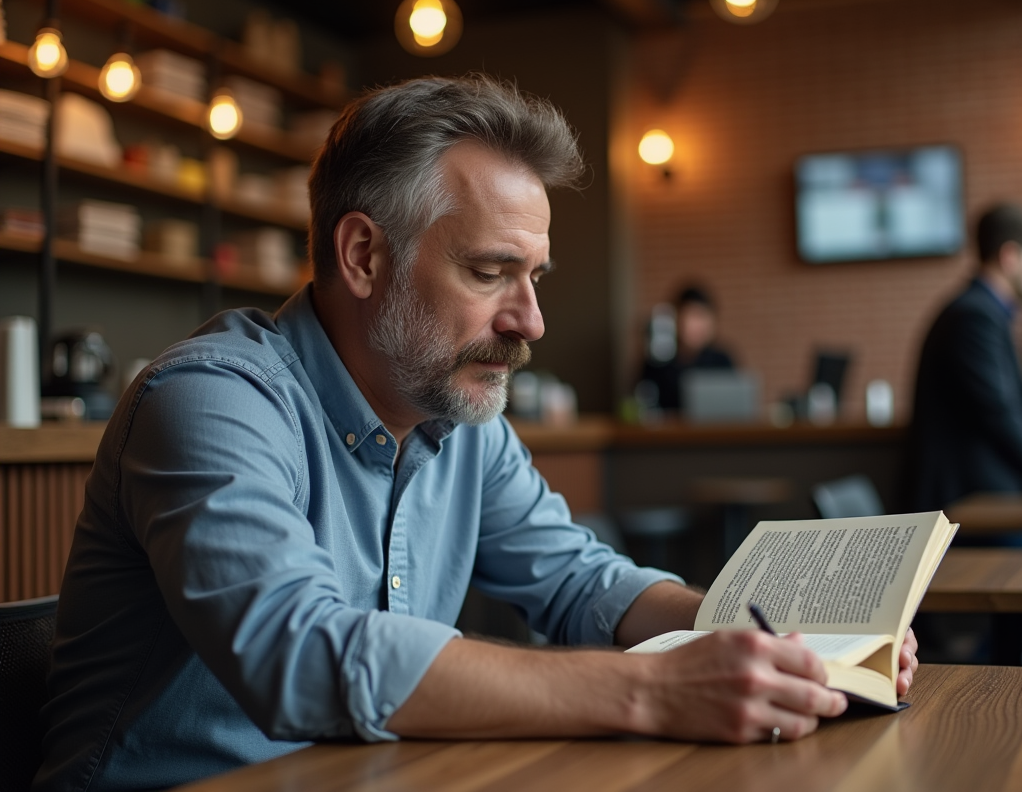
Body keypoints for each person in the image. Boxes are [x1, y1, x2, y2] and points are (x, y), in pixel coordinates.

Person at [35, 76, 918, 792]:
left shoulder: (455, 417)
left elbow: (581, 584)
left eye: (533, 276)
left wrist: (781, 643)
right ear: (363, 256)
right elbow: (301, 655)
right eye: (490, 272)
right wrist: (652, 690)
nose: (530, 321)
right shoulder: (212, 401)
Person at [905, 203, 1022, 516]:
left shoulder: (984, 313)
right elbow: (1000, 410)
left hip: (987, 493)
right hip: (967, 503)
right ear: (1010, 257)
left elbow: (1012, 401)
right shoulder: (974, 317)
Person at [638, 285, 735, 411]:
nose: (695, 326)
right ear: (676, 319)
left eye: (702, 317)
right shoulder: (657, 363)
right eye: (690, 316)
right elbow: (641, 405)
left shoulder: (722, 361)